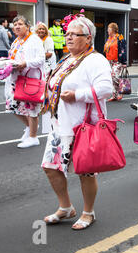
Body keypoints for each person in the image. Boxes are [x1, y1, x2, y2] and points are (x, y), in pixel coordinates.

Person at [41, 15, 113, 230]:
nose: (68, 37)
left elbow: (106, 89)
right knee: (51, 167)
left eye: (74, 34)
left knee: (85, 172)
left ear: (88, 38)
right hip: (59, 125)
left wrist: (78, 95)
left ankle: (88, 212)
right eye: (67, 33)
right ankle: (66, 208)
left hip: (81, 127)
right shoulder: (66, 59)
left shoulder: (95, 60)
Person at [5, 15, 45, 148]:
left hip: (30, 79)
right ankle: (30, 127)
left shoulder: (34, 40)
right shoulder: (16, 40)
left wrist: (25, 63)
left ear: (27, 26)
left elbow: (41, 59)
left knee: (31, 109)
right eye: (15, 24)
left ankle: (33, 137)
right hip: (16, 78)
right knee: (13, 106)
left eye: (20, 24)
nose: (17, 26)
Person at [104, 22, 127, 102]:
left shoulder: (119, 38)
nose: (107, 31)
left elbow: (123, 50)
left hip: (117, 61)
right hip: (109, 61)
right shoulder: (109, 38)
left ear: (113, 30)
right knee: (111, 78)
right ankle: (114, 95)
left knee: (115, 77)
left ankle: (120, 92)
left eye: (109, 29)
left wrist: (124, 62)